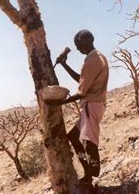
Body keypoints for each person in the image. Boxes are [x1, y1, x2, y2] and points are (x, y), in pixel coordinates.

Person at [46, 29, 109, 185]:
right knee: (74, 136)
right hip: (95, 104)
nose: (78, 49)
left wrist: (58, 103)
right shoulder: (97, 58)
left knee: (90, 142)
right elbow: (82, 80)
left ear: (86, 41)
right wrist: (64, 65)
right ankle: (89, 172)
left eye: (79, 45)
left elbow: (81, 92)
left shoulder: (92, 61)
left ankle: (92, 177)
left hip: (92, 105)